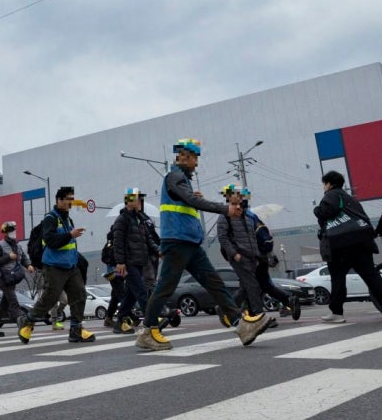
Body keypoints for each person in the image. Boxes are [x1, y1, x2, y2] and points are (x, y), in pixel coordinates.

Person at [136, 138, 270, 351]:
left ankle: (241, 325)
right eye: (194, 158)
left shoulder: (182, 180)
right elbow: (192, 202)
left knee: (214, 283)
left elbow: (188, 201)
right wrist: (225, 209)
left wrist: (191, 195)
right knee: (165, 287)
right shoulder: (175, 176)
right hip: (178, 242)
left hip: (189, 243)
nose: (196, 164)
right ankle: (147, 330)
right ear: (183, 157)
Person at [313, 170, 382, 323]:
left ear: (329, 184)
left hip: (341, 242)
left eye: (324, 184)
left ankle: (336, 313)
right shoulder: (351, 199)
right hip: (362, 240)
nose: (324, 187)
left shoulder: (331, 195)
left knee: (338, 277)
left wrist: (317, 210)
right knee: (371, 275)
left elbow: (328, 211)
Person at [17, 186, 96, 344]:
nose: (71, 202)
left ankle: (76, 330)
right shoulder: (50, 219)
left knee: (79, 294)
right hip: (54, 266)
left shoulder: (68, 219)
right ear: (59, 200)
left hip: (70, 265)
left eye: (72, 199)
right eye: (68, 199)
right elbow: (51, 241)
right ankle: (27, 320)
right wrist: (70, 235)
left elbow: (71, 245)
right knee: (50, 298)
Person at [216, 185, 278, 328]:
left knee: (245, 288)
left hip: (251, 256)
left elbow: (252, 236)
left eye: (240, 194)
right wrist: (234, 253)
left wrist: (257, 253)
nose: (238, 196)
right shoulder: (225, 214)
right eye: (235, 194)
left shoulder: (246, 214)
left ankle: (225, 309)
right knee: (253, 285)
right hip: (239, 256)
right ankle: (259, 316)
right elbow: (223, 237)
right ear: (228, 197)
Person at [112, 188, 159, 334]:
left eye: (140, 199)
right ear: (129, 201)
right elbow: (118, 242)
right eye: (137, 199)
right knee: (141, 291)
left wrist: (158, 250)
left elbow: (148, 239)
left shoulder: (139, 219)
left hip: (140, 261)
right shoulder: (122, 220)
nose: (139, 202)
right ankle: (152, 321)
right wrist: (120, 262)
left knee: (131, 296)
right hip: (129, 262)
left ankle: (120, 321)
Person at [0, 221, 34, 335]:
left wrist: (28, 265)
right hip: (3, 278)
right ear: (4, 233)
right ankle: (23, 322)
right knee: (13, 301)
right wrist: (8, 257)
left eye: (13, 230)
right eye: (10, 231)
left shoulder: (17, 245)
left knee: (4, 304)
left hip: (13, 278)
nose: (12, 233)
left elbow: (23, 258)